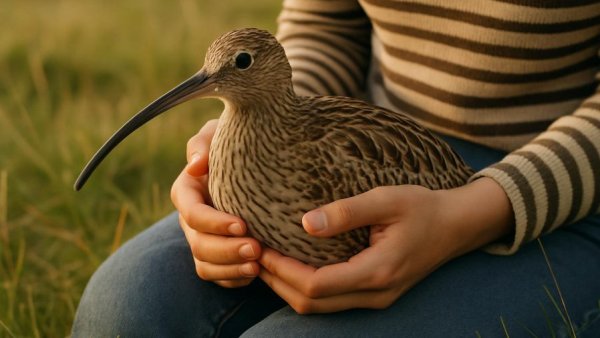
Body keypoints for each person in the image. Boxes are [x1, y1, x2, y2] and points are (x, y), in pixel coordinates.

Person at [72, 1, 600, 336]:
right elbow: (325, 24)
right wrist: (247, 132)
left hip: (562, 192)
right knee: (120, 311)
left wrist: (476, 211)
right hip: (362, 137)